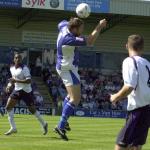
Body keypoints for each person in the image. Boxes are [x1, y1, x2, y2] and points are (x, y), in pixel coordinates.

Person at [54, 17, 107, 140]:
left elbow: (60, 22)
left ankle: (64, 120)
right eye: (81, 29)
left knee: (71, 96)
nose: (82, 31)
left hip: (66, 67)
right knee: (75, 99)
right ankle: (60, 126)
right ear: (73, 29)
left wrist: (75, 18)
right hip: (67, 69)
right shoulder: (69, 39)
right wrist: (99, 26)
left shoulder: (64, 26)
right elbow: (90, 41)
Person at [110, 35, 150, 150]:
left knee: (121, 145)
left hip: (137, 110)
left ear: (127, 46)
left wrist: (115, 97)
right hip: (147, 109)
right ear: (142, 48)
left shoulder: (129, 61)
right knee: (136, 146)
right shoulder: (147, 63)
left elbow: (129, 87)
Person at [4, 53, 48, 135]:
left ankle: (44, 123)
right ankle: (13, 128)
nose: (18, 59)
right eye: (16, 58)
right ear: (14, 59)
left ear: (21, 59)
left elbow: (29, 81)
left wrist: (16, 81)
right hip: (17, 90)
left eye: (19, 58)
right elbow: (12, 79)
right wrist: (9, 85)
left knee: (32, 110)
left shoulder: (24, 68)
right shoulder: (12, 68)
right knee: (8, 107)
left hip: (26, 91)